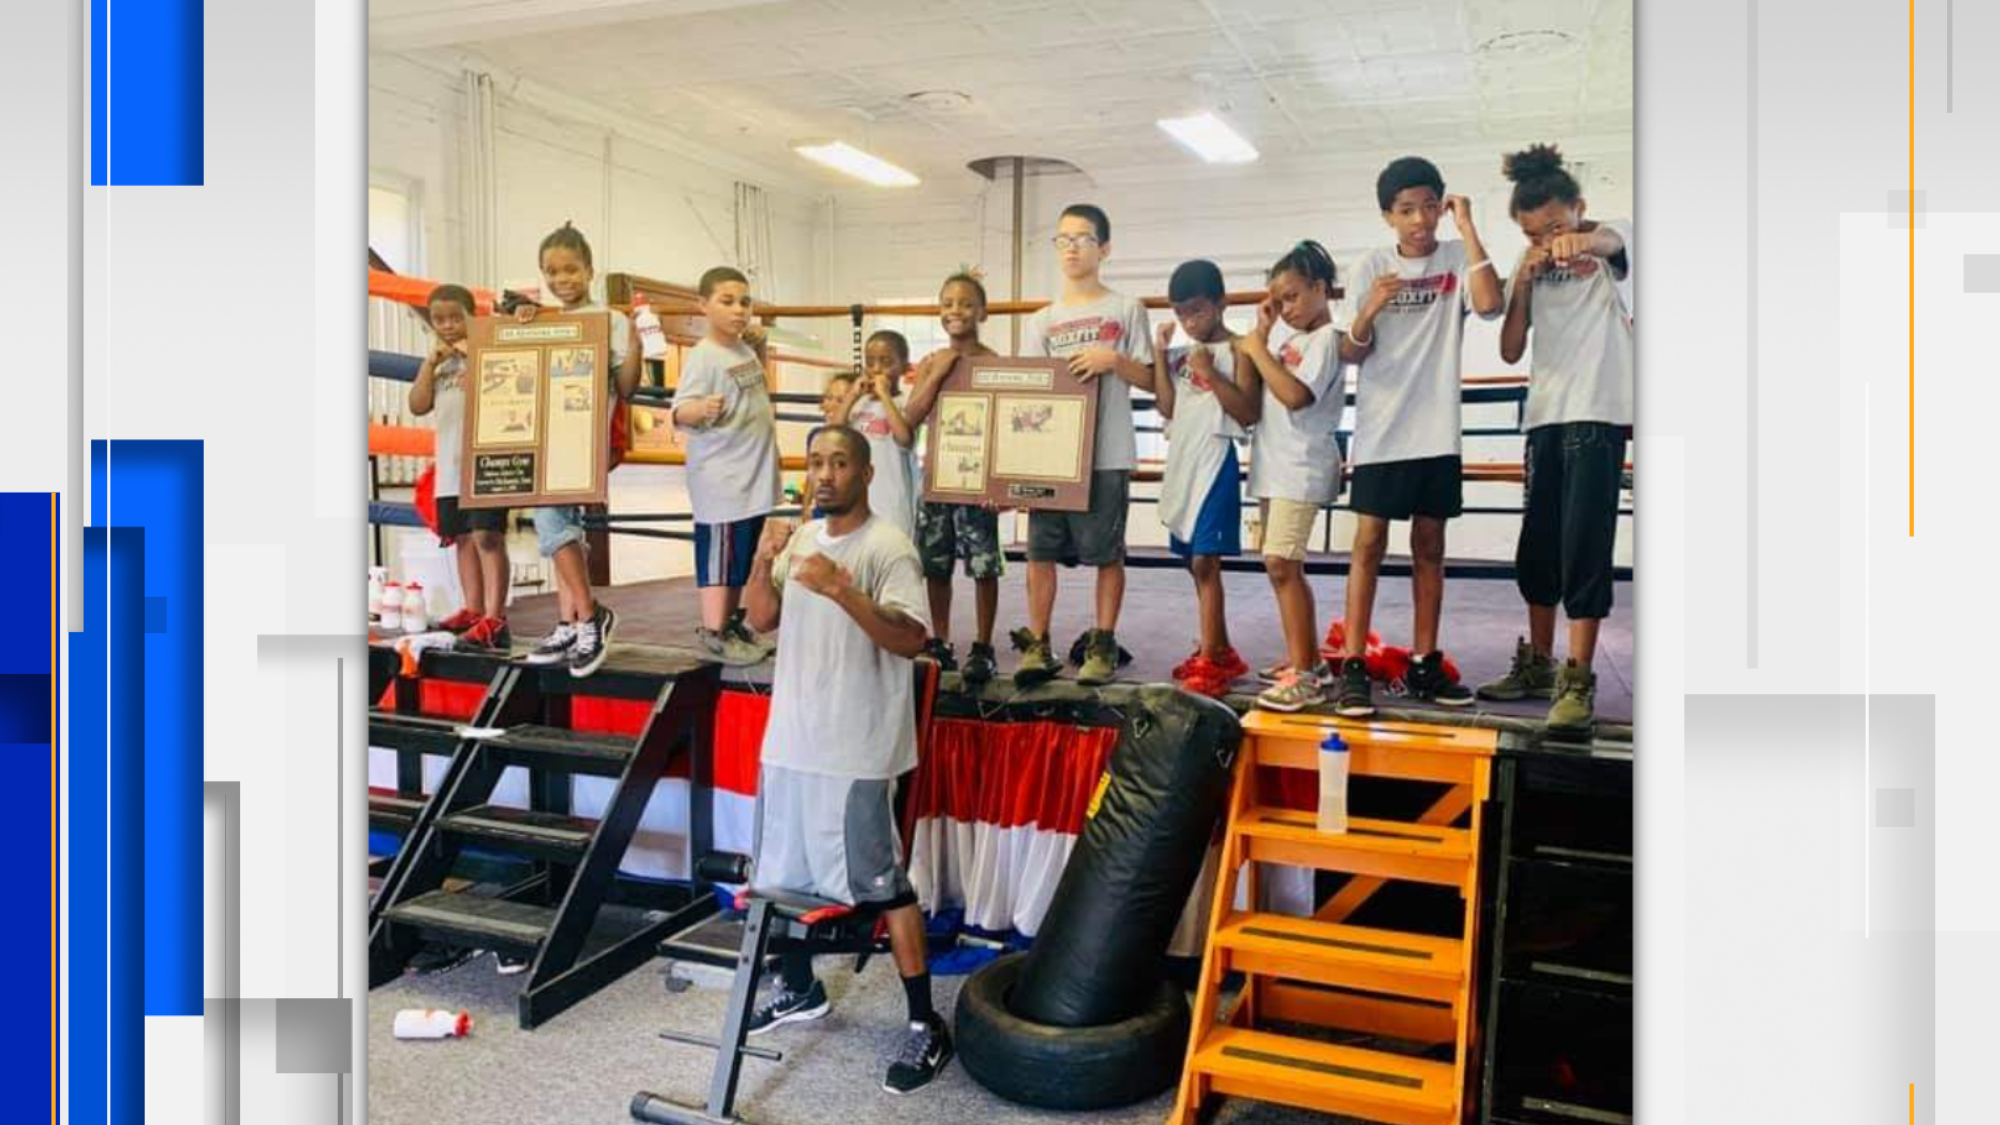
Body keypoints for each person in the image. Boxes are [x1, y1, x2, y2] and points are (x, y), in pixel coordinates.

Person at [740, 425, 952, 1095]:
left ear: (865, 473)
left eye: (839, 463)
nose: (825, 474)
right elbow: (759, 620)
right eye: (817, 463)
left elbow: (913, 636)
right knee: (784, 873)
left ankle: (924, 1023)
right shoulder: (801, 536)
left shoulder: (890, 547)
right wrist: (758, 558)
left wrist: (841, 590)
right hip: (792, 737)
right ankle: (799, 986)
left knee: (885, 882)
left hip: (858, 743)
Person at [1335, 158, 1504, 717]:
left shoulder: (1457, 258)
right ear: (1388, 215)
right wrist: (1371, 307)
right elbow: (1351, 350)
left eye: (1429, 205)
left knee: (1430, 547)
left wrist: (1469, 227)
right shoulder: (1371, 266)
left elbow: (1489, 304)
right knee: (1368, 544)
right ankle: (1354, 664)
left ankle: (1425, 662)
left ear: (1442, 206)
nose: (1420, 219)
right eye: (1407, 209)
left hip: (1436, 432)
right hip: (1383, 431)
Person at [1477, 144, 1634, 732]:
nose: (1547, 239)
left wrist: (1580, 241)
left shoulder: (1616, 239)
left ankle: (1578, 676)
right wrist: (1523, 277)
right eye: (1533, 232)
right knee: (1538, 547)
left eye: (1556, 225)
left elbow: (1613, 243)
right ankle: (1539, 663)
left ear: (1578, 208)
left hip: (1596, 413)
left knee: (1583, 547)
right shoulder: (1534, 266)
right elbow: (1512, 346)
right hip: (1544, 417)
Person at [1013, 204, 1155, 686]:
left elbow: (1153, 380)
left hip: (1108, 451)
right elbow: (1028, 392)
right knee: (1039, 552)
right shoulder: (1041, 320)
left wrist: (1113, 359)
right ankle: (1038, 643)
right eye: (1063, 239)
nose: (1072, 247)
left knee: (1107, 554)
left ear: (1105, 248)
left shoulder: (1125, 309)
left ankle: (1102, 642)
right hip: (1050, 459)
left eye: (1083, 238)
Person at [517, 223, 640, 678]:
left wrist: (635, 348)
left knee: (549, 517)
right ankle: (569, 621)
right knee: (559, 523)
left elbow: (626, 387)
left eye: (570, 270)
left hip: (584, 437)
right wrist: (524, 322)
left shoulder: (609, 320)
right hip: (545, 436)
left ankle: (589, 615)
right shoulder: (544, 318)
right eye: (552, 271)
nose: (561, 279)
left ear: (589, 270)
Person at [1240, 243, 1347, 712]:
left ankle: (1305, 675)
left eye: (1292, 297)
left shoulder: (1327, 338)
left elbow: (1295, 395)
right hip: (1273, 464)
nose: (1286, 308)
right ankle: (1309, 660)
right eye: (1278, 300)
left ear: (1320, 288)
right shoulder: (1289, 338)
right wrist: (1265, 333)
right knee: (1283, 566)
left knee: (1281, 562)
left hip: (1300, 467)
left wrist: (1258, 347)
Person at [1150, 260, 1258, 698]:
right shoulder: (1181, 353)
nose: (1189, 322)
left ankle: (1212, 660)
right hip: (1184, 462)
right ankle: (1221, 646)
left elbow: (1249, 411)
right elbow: (1167, 405)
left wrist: (1211, 374)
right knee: (1193, 561)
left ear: (1220, 304)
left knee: (1205, 562)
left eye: (1196, 311)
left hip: (1217, 459)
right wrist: (1159, 355)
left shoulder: (1242, 349)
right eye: (1181, 314)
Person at [674, 265, 782, 666]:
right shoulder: (704, 356)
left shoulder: (740, 349)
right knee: (720, 557)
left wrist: (760, 350)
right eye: (727, 301)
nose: (739, 310)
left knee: (741, 556)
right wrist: (698, 409)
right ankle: (714, 631)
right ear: (703, 305)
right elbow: (679, 409)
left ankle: (732, 624)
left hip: (750, 475)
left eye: (745, 301)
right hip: (722, 480)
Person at [902, 272, 1004, 684]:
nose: (955, 311)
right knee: (936, 564)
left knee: (983, 566)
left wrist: (1001, 485)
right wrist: (936, 375)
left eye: (964, 303)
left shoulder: (994, 362)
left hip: (979, 483)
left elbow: (1007, 428)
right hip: (939, 478)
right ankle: (941, 639)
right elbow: (909, 419)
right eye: (947, 304)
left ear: (981, 311)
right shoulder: (930, 362)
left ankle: (983, 645)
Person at [408, 284, 513, 653]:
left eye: (456, 317)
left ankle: (495, 618)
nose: (448, 325)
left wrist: (478, 358)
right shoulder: (440, 362)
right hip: (450, 465)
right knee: (462, 538)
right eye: (440, 319)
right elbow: (418, 405)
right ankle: (472, 609)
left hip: (487, 461)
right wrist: (429, 364)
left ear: (473, 316)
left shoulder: (489, 351)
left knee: (487, 535)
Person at [832, 330, 919, 539]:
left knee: (892, 561)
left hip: (893, 503)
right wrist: (852, 394)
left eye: (886, 362)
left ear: (904, 367)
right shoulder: (859, 404)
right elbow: (834, 433)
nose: (877, 369)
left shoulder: (906, 403)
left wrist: (885, 396)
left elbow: (904, 439)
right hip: (859, 502)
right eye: (870, 363)